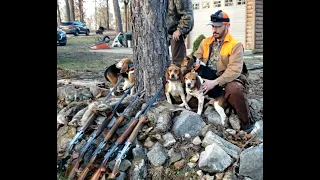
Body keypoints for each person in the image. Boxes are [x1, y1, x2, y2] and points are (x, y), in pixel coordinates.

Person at [194, 10, 253, 133]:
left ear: (227, 26)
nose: (214, 30)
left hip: (229, 77)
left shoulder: (235, 45)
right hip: (208, 76)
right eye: (213, 26)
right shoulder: (205, 42)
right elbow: (195, 60)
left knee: (234, 90)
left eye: (218, 27)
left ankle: (246, 125)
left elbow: (234, 70)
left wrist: (214, 82)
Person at [167, 0, 194, 67]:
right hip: (163, 32)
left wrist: (180, 30)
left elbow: (187, 14)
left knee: (179, 65)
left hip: (175, 33)